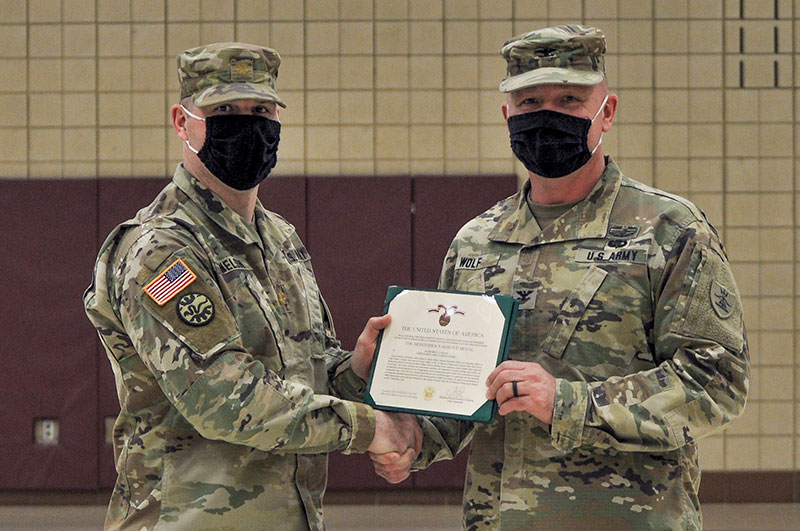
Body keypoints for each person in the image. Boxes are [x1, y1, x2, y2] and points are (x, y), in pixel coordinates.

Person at [370, 25, 749, 529]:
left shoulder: (669, 230)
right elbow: (463, 391)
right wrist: (413, 441)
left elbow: (717, 381)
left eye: (569, 99)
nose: (546, 116)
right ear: (507, 116)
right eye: (529, 102)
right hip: (498, 517)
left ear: (606, 112)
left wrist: (570, 404)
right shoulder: (477, 240)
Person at [84, 42, 421, 530]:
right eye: (223, 110)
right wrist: (373, 429)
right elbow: (223, 398)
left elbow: (302, 376)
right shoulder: (160, 248)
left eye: (260, 110)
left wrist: (357, 371)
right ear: (182, 123)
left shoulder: (279, 239)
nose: (246, 125)